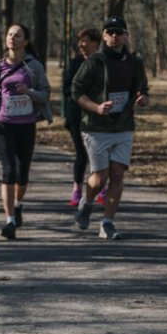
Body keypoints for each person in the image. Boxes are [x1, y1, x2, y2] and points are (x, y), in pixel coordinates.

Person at [71, 15, 149, 240]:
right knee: (100, 177)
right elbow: (76, 91)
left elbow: (142, 89)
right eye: (110, 32)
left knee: (117, 175)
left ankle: (107, 222)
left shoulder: (135, 63)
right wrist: (96, 107)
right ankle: (87, 202)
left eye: (118, 32)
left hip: (123, 127)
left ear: (126, 36)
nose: (114, 36)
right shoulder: (94, 62)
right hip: (96, 128)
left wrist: (143, 99)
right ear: (104, 36)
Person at [0, 24, 53, 240]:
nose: (12, 38)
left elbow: (46, 93)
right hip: (3, 124)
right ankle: (9, 221)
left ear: (25, 41)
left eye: (17, 35)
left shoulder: (34, 66)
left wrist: (29, 91)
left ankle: (18, 204)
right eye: (9, 34)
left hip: (26, 125)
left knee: (22, 173)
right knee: (8, 172)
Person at [62, 27, 103, 206]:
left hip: (98, 117)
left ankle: (101, 187)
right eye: (79, 41)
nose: (80, 44)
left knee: (98, 153)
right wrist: (83, 96)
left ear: (95, 43)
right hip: (76, 117)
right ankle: (77, 190)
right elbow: (66, 89)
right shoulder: (75, 64)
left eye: (84, 41)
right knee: (82, 153)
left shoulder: (103, 63)